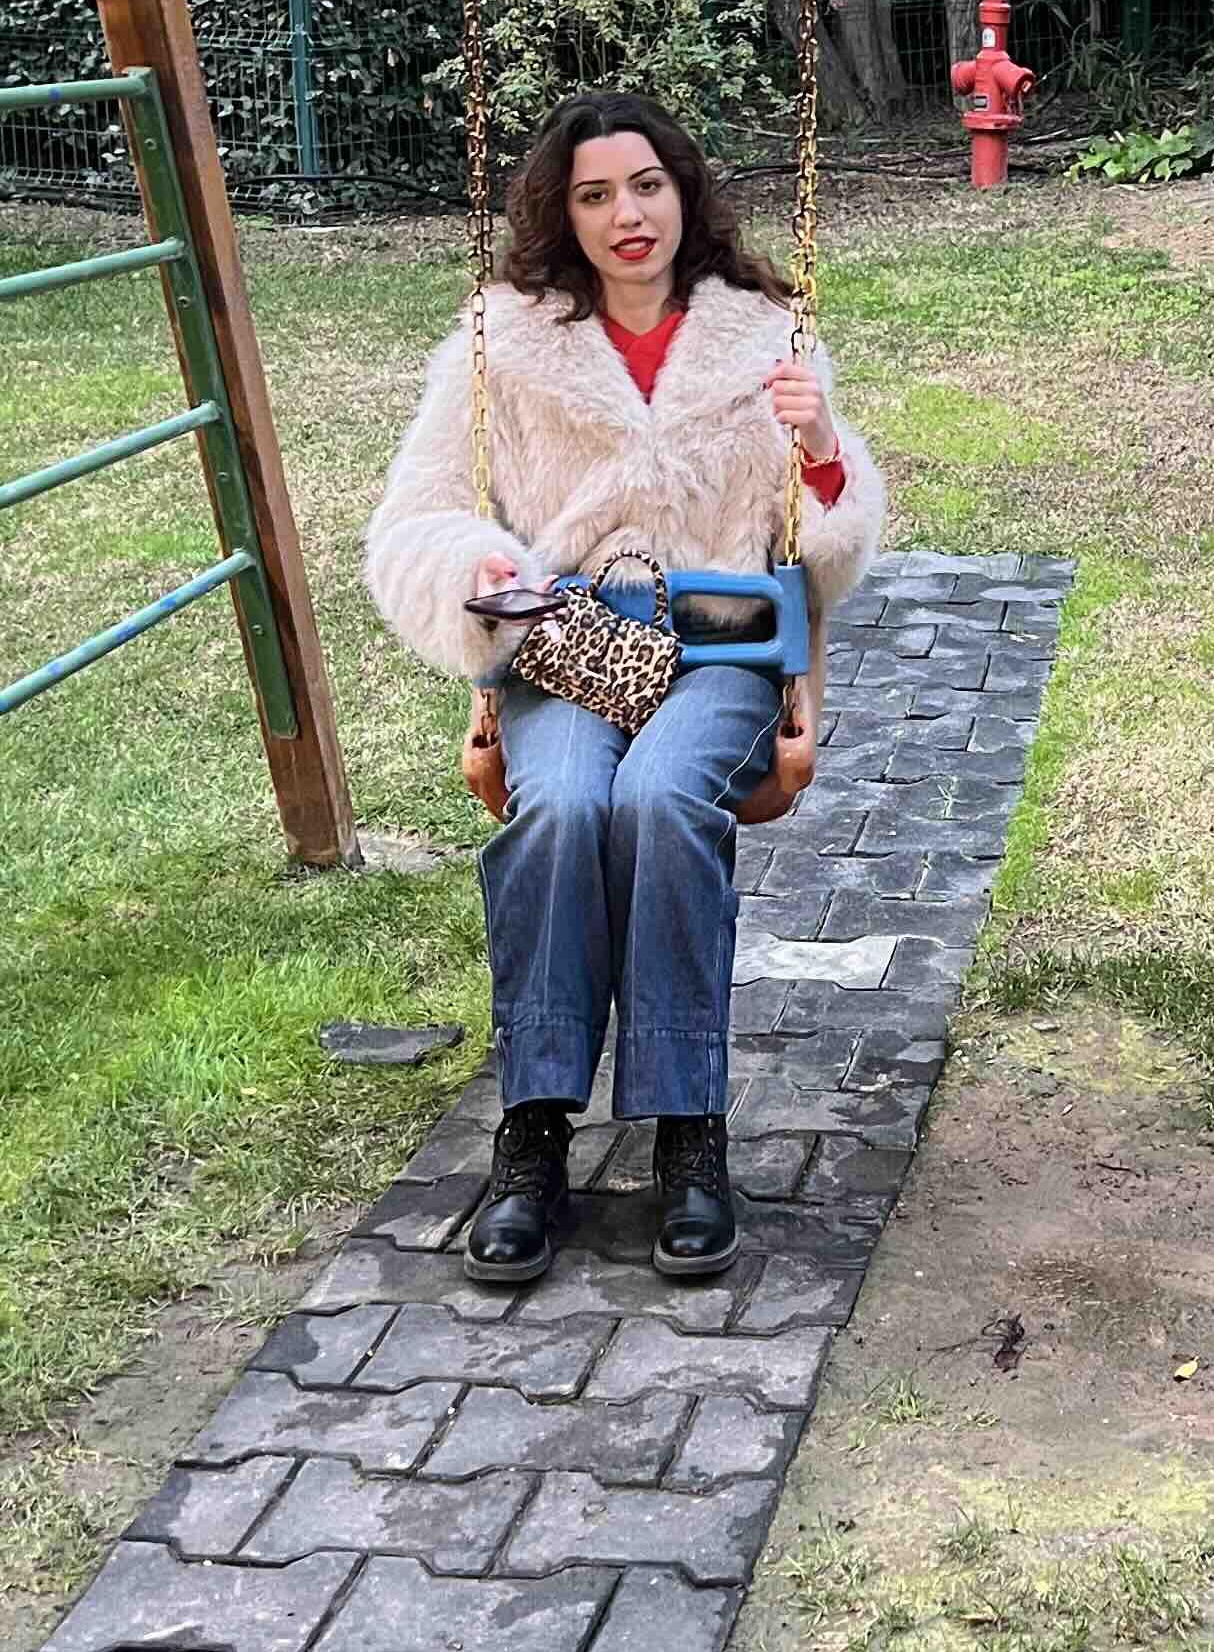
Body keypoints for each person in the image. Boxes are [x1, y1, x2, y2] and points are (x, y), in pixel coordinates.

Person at [366, 90, 886, 1285]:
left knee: (658, 802)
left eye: (645, 186)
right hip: (568, 641)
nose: (626, 216)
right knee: (557, 807)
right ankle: (535, 1129)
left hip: (721, 643)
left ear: (682, 191)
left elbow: (830, 542)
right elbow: (415, 517)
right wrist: (479, 567)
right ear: (566, 212)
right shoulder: (502, 343)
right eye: (595, 195)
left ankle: (688, 1131)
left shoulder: (765, 334)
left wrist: (820, 452)